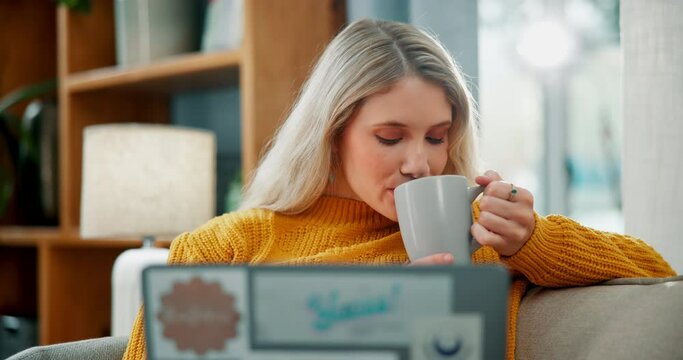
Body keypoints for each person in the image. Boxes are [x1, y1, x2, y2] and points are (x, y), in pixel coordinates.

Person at [123, 19, 675, 359]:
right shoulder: (225, 247)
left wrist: (531, 240)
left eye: (437, 137)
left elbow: (657, 274)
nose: (422, 163)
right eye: (390, 137)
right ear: (332, 133)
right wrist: (379, 319)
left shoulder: (480, 240)